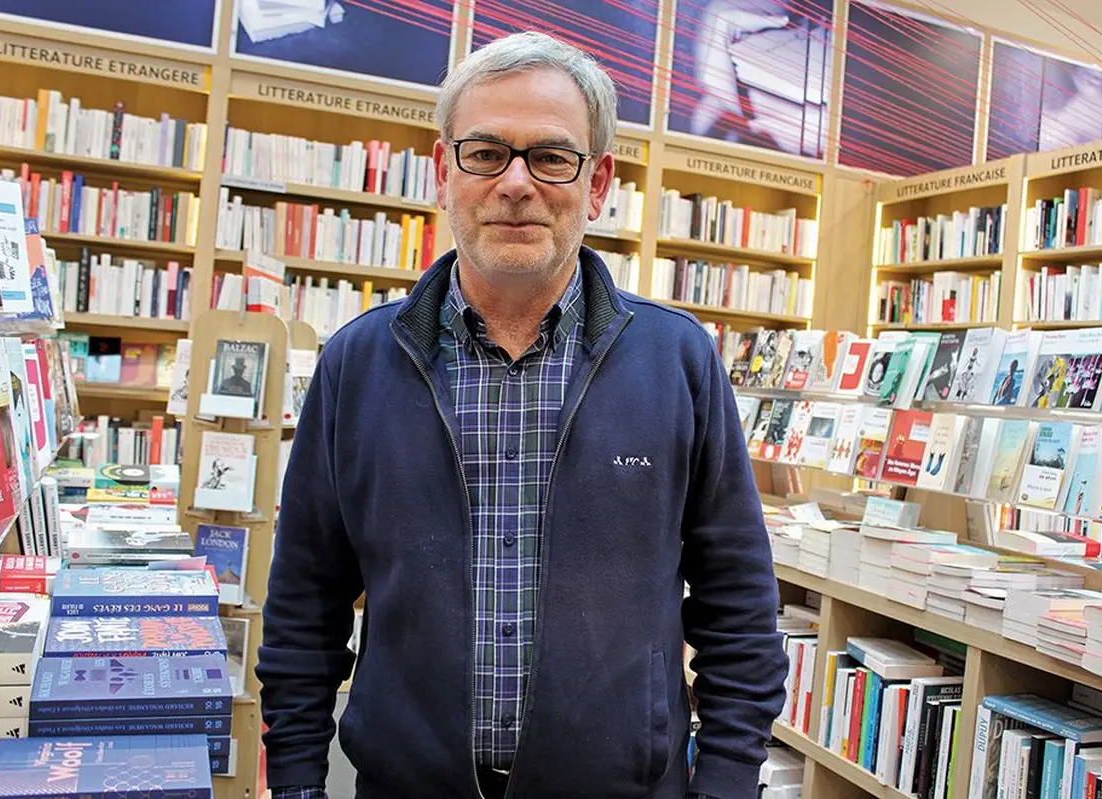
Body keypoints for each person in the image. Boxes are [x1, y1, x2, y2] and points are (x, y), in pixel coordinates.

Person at [258, 31, 787, 799]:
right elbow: (305, 601)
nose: (515, 183)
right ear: (444, 173)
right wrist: (298, 785)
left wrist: (729, 781)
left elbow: (738, 601)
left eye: (550, 156)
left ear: (598, 181)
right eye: (484, 153)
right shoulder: (357, 365)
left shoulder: (679, 363)